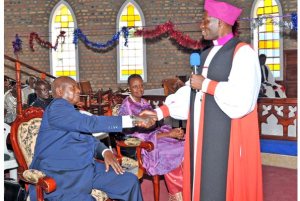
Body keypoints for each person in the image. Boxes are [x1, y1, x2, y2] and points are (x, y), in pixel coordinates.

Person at [141, 1, 263, 201]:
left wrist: (206, 85)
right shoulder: (204, 55)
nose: (201, 26)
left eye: (206, 21)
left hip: (227, 136)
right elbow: (191, 94)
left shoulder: (243, 53)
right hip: (200, 136)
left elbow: (244, 98)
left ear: (221, 22)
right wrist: (159, 112)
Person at [29, 76, 156, 201]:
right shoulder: (57, 108)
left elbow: (87, 138)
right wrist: (135, 119)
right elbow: (92, 123)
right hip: (65, 176)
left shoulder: (72, 113)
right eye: (73, 87)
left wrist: (105, 151)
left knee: (129, 181)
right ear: (59, 91)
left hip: (87, 169)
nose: (78, 90)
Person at [118, 74, 185, 200]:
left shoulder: (144, 102)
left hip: (153, 138)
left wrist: (172, 132)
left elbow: (153, 126)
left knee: (184, 144)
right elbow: (139, 135)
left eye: (141, 86)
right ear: (129, 88)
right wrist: (168, 134)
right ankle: (177, 194)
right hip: (141, 147)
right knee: (173, 151)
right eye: (135, 87)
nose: (139, 89)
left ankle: (185, 187)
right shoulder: (127, 106)